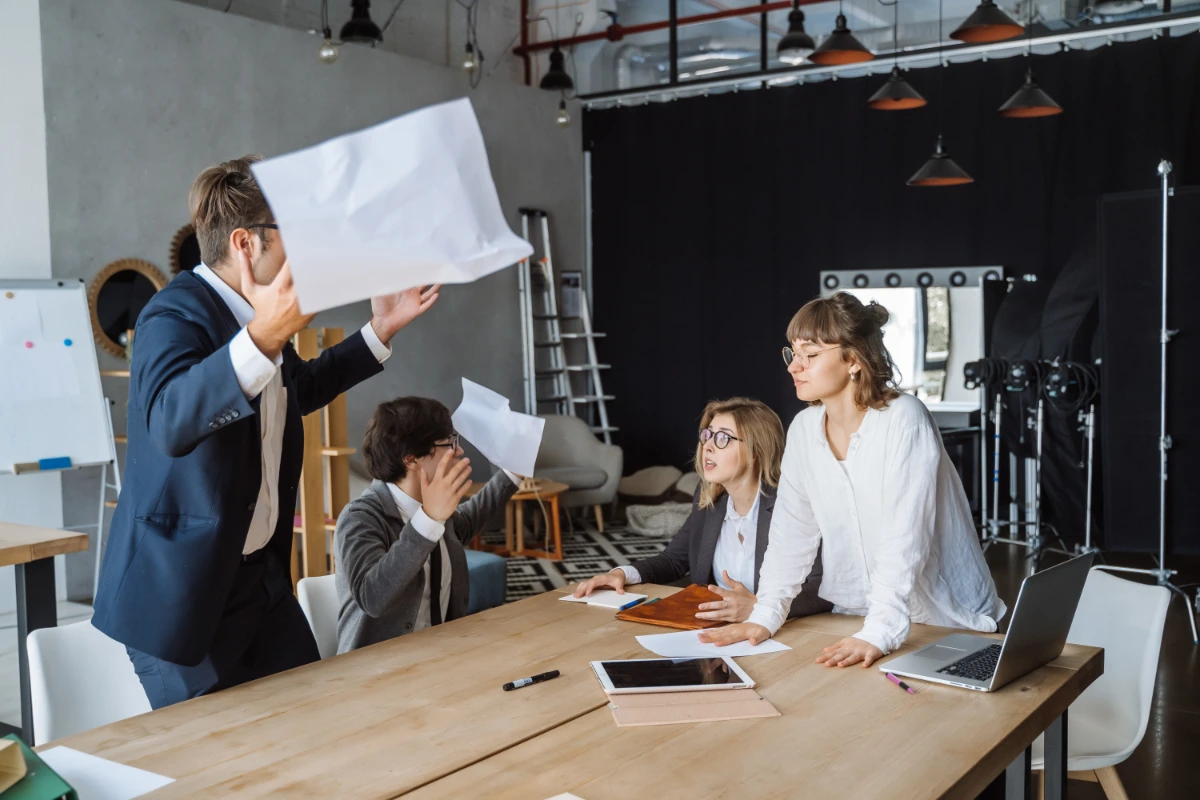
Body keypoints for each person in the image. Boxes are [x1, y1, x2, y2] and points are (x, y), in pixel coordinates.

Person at [91, 156, 441, 708]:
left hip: (259, 582)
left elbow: (296, 389)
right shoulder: (172, 315)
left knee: (314, 727)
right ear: (246, 244)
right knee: (221, 775)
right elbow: (170, 422)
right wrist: (260, 339)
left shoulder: (253, 315)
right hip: (183, 591)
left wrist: (379, 331)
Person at [700, 293, 1005, 667]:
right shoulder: (804, 429)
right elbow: (790, 537)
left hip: (948, 619)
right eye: (792, 353)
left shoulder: (903, 418)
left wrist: (880, 631)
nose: (794, 366)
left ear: (853, 360)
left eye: (810, 355)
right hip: (854, 618)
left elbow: (904, 538)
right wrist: (765, 616)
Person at [573, 397, 830, 623]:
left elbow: (821, 589)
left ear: (756, 450)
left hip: (792, 631)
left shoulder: (793, 503)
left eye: (723, 438)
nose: (707, 446)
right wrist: (621, 574)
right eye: (707, 435)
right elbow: (674, 560)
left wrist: (761, 609)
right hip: (719, 631)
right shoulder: (710, 499)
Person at [335, 397, 520, 653]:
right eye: (449, 443)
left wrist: (513, 473)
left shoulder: (433, 507)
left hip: (443, 655)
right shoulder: (360, 517)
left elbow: (468, 521)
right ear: (411, 459)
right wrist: (429, 520)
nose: (459, 451)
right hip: (379, 672)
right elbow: (372, 597)